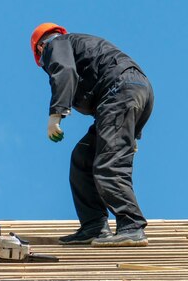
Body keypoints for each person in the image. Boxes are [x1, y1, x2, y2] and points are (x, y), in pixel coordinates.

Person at [30, 23, 154, 247]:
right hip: (134, 92)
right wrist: (132, 136)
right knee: (83, 158)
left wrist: (56, 114)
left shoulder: (54, 44)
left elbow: (64, 71)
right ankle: (94, 225)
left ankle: (132, 225)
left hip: (119, 93)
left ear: (39, 49)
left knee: (109, 163)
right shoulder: (76, 44)